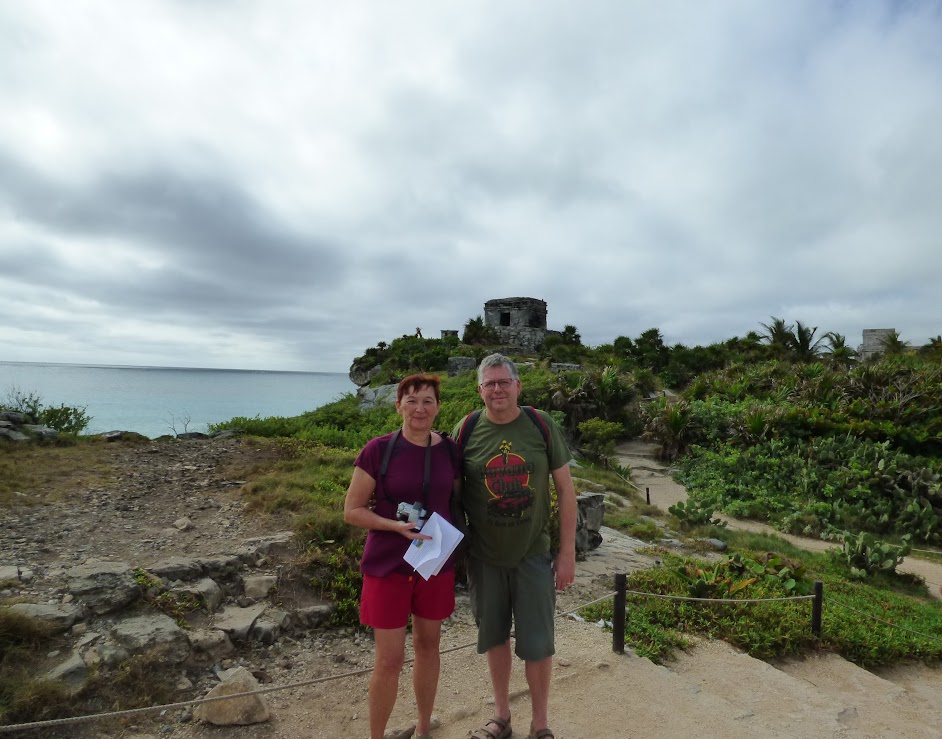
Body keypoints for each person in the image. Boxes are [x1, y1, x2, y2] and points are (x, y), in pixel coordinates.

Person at [452, 353, 576, 739]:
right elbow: (450, 491)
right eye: (489, 383)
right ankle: (502, 716)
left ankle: (540, 724)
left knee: (538, 643)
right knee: (494, 636)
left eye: (504, 382)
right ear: (479, 390)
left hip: (533, 554)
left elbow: (566, 491)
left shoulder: (540, 425)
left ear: (518, 386)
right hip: (484, 557)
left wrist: (567, 552)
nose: (497, 389)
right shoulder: (467, 428)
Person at [344, 374, 462, 739]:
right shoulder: (378, 450)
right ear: (398, 406)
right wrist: (392, 526)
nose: (419, 408)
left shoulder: (450, 451)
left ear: (438, 407)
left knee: (429, 648)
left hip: (433, 562)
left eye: (427, 401)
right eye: (411, 401)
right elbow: (352, 510)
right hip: (388, 565)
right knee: (389, 660)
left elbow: (455, 500)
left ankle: (424, 728)